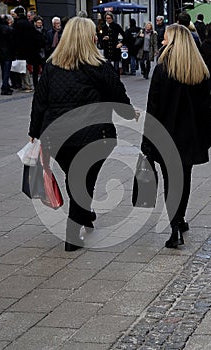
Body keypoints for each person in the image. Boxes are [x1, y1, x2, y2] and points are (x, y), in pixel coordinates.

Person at [28, 17, 136, 251]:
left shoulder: (52, 66)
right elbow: (117, 95)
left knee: (76, 176)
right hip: (94, 134)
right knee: (83, 179)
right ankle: (73, 230)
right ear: (90, 38)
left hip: (56, 136)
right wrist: (129, 114)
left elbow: (40, 101)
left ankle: (84, 214)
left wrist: (34, 131)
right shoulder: (98, 66)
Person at [141, 24, 211, 248]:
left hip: (166, 134)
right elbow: (206, 108)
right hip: (190, 135)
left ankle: (175, 227)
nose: (162, 42)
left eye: (164, 39)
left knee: (171, 181)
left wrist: (147, 140)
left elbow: (153, 107)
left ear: (172, 42)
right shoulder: (198, 70)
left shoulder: (163, 69)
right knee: (184, 179)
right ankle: (180, 218)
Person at [0, 14, 15, 95]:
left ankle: (6, 86)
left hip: (0, 52)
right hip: (8, 52)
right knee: (6, 70)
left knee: (3, 70)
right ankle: (5, 87)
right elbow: (12, 42)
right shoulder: (9, 29)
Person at [101, 12, 125, 76]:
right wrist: (103, 38)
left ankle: (117, 80)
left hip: (115, 48)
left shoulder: (116, 26)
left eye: (109, 18)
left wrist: (121, 43)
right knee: (108, 67)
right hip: (107, 49)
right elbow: (100, 37)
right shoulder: (104, 27)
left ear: (112, 18)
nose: (108, 20)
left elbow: (125, 36)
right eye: (107, 18)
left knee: (116, 68)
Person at [32, 15, 48, 88]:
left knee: (44, 69)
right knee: (35, 70)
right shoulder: (32, 31)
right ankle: (36, 84)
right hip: (35, 53)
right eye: (38, 23)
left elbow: (46, 40)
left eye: (40, 23)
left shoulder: (44, 31)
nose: (39, 24)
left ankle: (43, 83)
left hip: (43, 52)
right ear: (35, 23)